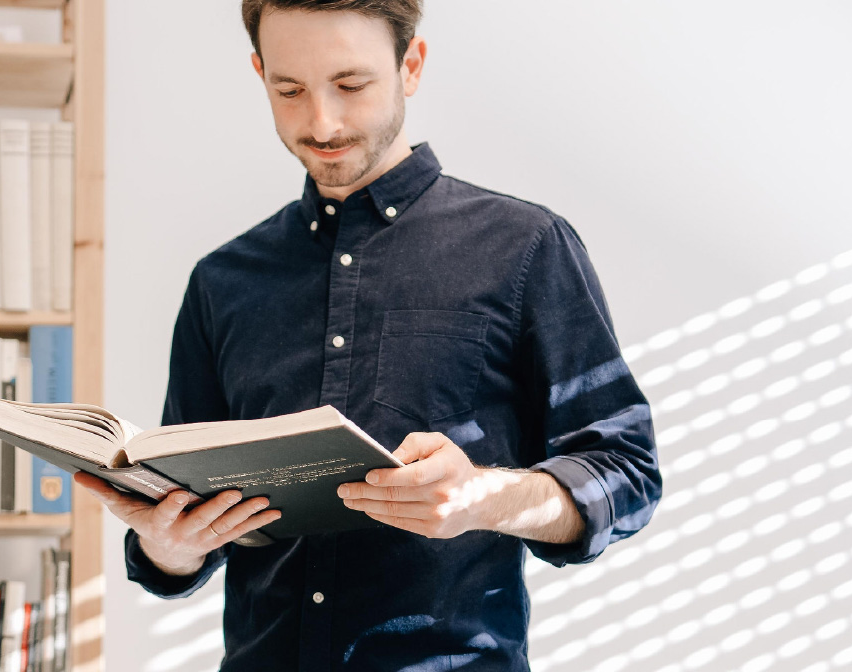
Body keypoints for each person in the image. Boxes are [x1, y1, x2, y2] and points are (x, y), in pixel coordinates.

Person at [72, 1, 661, 668]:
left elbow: (626, 474)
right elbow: (184, 512)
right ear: (260, 72)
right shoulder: (221, 282)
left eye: (351, 85)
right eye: (289, 90)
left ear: (411, 66)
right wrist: (168, 550)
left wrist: (484, 498)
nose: (321, 122)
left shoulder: (525, 248)